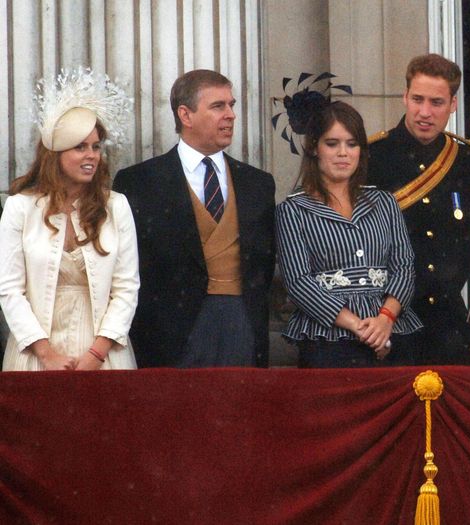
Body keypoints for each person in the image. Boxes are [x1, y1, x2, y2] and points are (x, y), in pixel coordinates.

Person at [114, 70, 276, 368]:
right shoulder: (139, 182)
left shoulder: (258, 183)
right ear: (185, 115)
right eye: (218, 106)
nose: (231, 115)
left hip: (241, 325)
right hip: (168, 332)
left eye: (232, 105)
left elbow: (264, 265)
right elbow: (128, 266)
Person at [0, 67, 138, 371]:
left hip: (104, 352)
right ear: (55, 153)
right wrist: (46, 354)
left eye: (96, 147)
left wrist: (97, 355)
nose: (91, 155)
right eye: (80, 147)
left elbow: (127, 288)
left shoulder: (117, 207)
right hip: (36, 353)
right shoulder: (20, 208)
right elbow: (10, 290)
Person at [276, 101, 422, 367]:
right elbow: (298, 282)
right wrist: (360, 327)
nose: (343, 153)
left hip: (392, 334)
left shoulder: (384, 202)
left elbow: (404, 266)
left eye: (352, 144)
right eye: (332, 143)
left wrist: (385, 319)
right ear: (314, 148)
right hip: (328, 340)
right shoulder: (293, 210)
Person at [367, 53, 470, 365]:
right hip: (387, 321)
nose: (424, 112)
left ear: (453, 105)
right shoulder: (371, 158)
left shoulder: (467, 162)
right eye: (417, 99)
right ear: (404, 97)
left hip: (449, 322)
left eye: (436, 102)